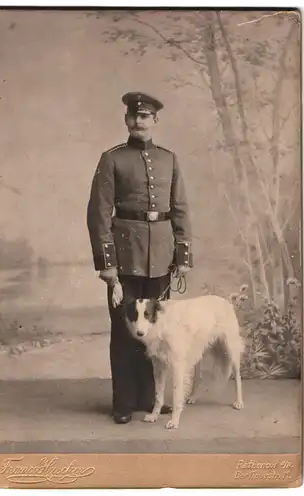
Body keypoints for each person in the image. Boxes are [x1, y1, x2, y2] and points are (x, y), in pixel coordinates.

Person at [87, 91, 193, 424]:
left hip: (161, 256)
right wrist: (107, 265)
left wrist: (183, 254)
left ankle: (150, 400)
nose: (139, 121)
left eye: (145, 117)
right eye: (134, 116)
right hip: (125, 255)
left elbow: (180, 209)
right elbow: (99, 214)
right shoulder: (112, 158)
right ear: (126, 120)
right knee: (124, 330)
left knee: (156, 330)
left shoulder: (169, 159)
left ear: (155, 121)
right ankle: (123, 403)